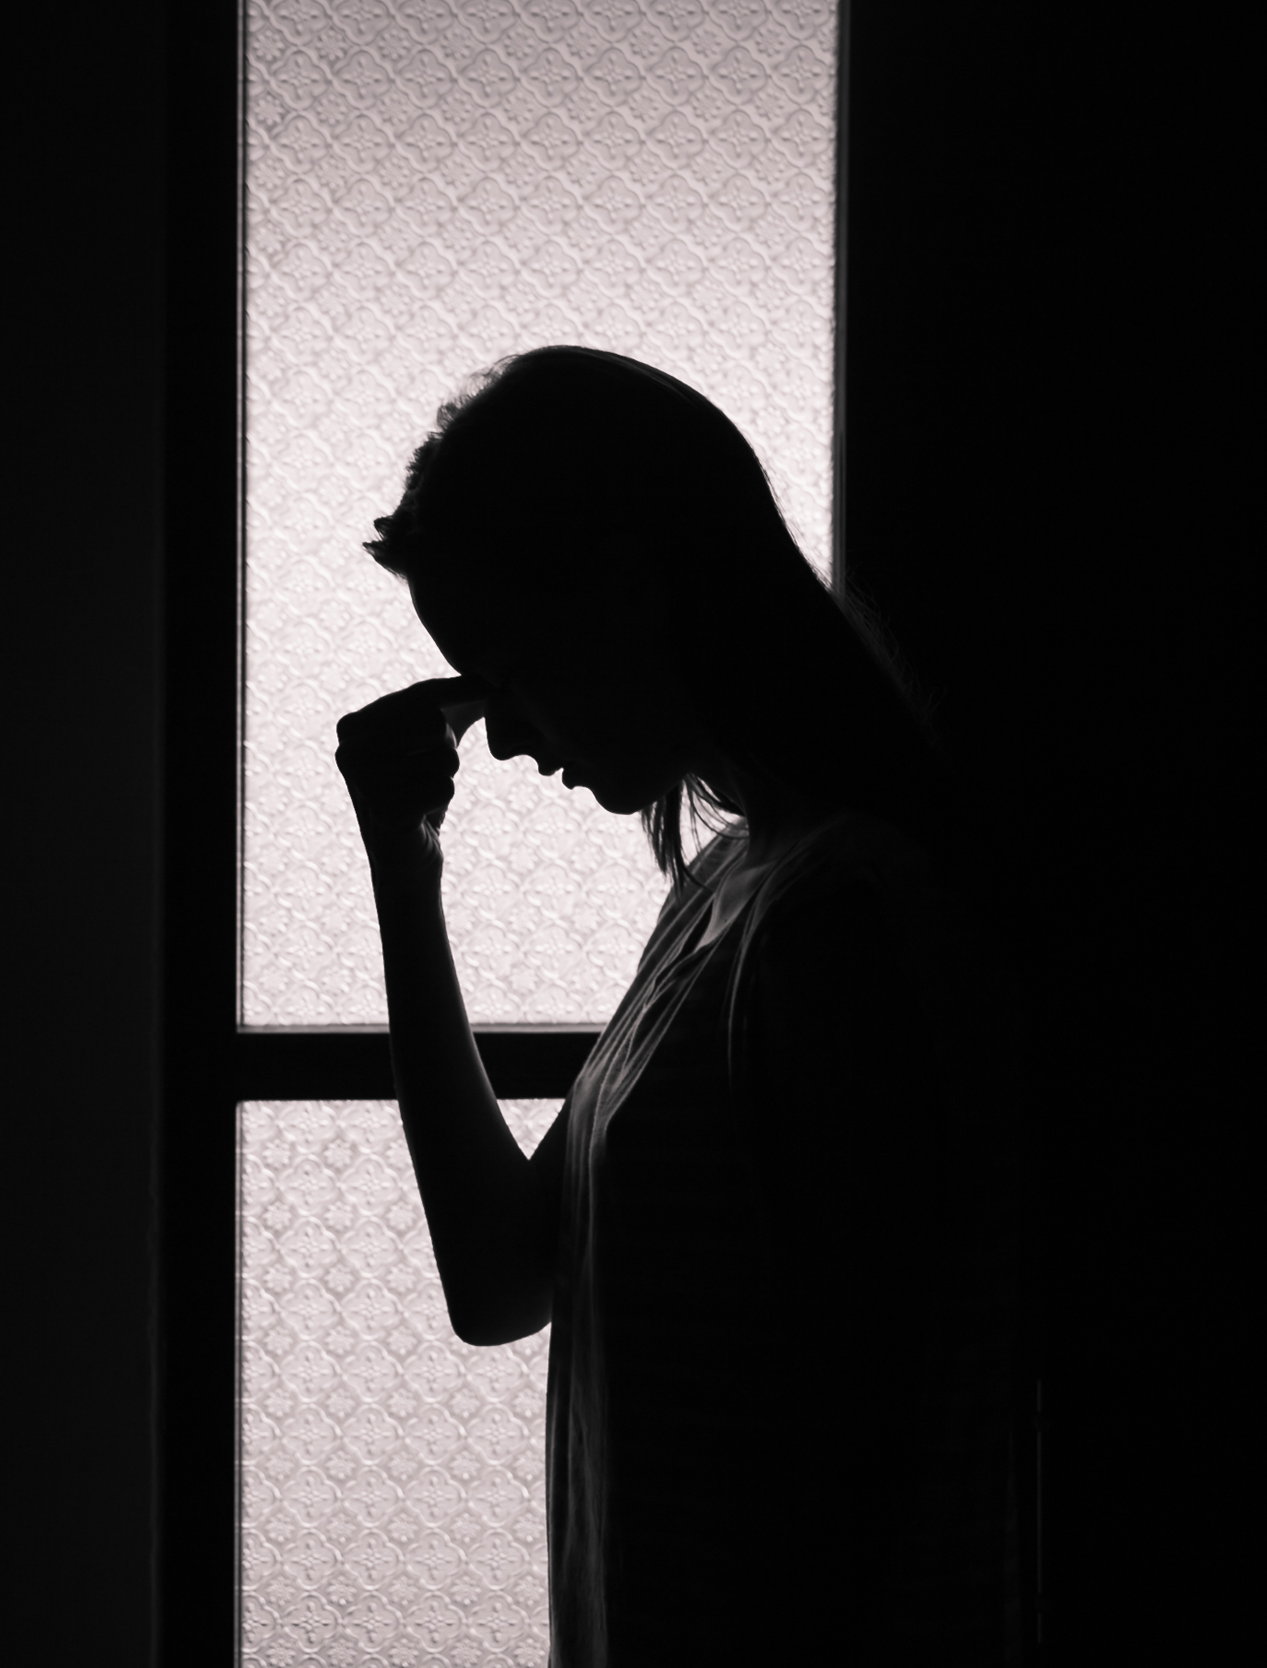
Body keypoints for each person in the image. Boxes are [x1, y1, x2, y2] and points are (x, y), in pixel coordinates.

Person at [334, 347, 1025, 1666]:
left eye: (511, 666)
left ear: (631, 589)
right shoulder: (726, 900)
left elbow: (866, 1462)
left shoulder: (834, 923)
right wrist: (403, 876)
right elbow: (500, 1277)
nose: (506, 737)